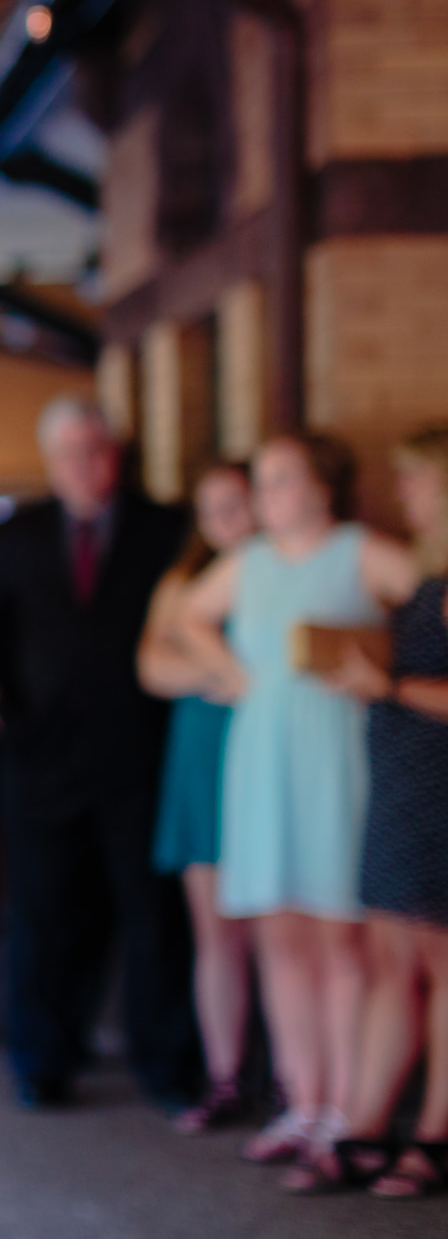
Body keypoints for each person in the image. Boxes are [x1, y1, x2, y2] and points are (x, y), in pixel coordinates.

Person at [177, 433, 414, 1165]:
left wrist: (388, 665)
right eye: (263, 480)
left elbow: (430, 595)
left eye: (282, 478)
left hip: (335, 751)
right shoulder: (245, 564)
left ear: (323, 486)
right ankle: (302, 1099)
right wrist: (233, 672)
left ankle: (349, 1107)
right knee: (281, 935)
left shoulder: (359, 551)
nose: (267, 493)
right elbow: (186, 615)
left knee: (341, 936)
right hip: (263, 755)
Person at [0, 395, 198, 1108]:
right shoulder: (17, 532)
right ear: (51, 461)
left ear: (116, 453)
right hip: (42, 757)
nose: (84, 465)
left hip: (141, 751)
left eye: (95, 450)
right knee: (44, 913)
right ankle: (42, 1058)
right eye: (69, 453)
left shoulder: (166, 528)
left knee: (151, 914)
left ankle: (166, 1063)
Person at [281, 425, 448, 1196]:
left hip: (438, 785)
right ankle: (366, 1124)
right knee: (390, 962)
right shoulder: (424, 577)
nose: (403, 491)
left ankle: (437, 1135)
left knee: (442, 966)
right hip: (401, 783)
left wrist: (385, 687)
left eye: (415, 479)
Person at [136, 461, 258, 1134]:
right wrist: (223, 673)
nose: (222, 521)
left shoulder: (281, 574)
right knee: (214, 932)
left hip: (267, 755)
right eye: (210, 509)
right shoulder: (186, 579)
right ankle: (226, 1074)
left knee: (276, 927)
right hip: (203, 751)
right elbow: (152, 665)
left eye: (234, 505)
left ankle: (296, 1077)